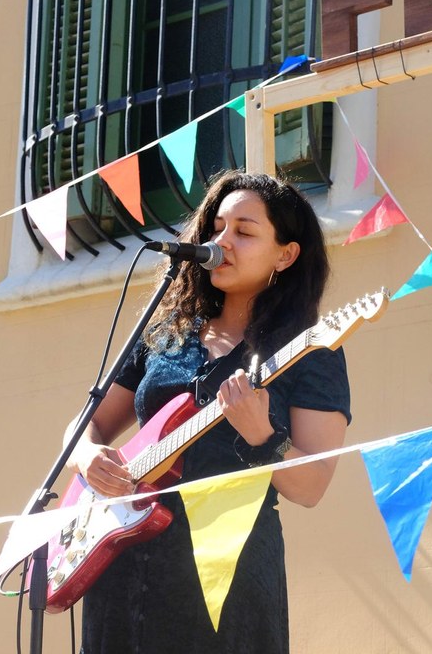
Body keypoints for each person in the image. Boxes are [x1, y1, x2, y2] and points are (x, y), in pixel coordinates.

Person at [64, 169, 351, 654]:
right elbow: (86, 423)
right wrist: (88, 455)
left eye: (244, 231)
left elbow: (313, 484)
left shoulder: (310, 351)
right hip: (124, 557)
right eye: (217, 227)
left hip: (228, 571)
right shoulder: (164, 332)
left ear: (286, 254)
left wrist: (266, 438)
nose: (222, 241)